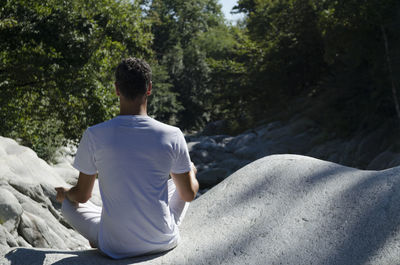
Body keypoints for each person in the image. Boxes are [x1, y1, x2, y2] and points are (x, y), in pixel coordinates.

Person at [55, 58, 199, 259]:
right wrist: (191, 172)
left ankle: (101, 233)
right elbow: (188, 195)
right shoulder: (172, 134)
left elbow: (82, 196)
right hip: (162, 241)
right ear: (149, 88)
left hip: (114, 246)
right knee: (180, 183)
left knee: (69, 206)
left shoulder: (94, 134)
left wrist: (65, 193)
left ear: (116, 89)